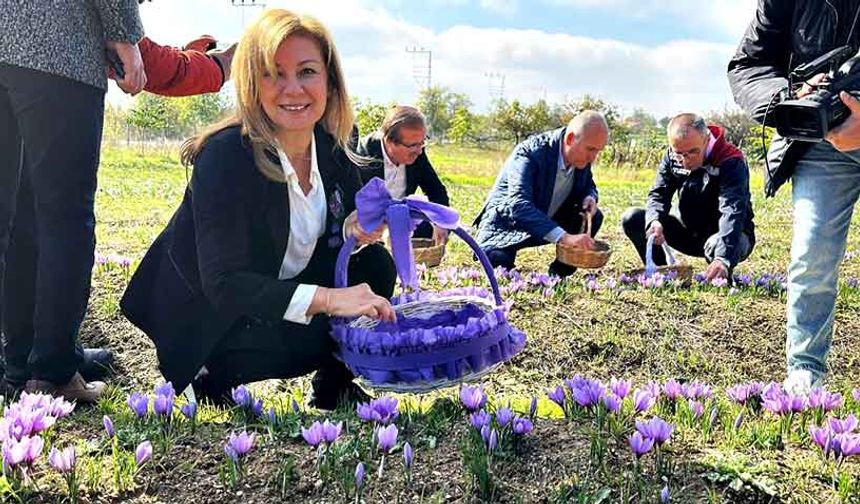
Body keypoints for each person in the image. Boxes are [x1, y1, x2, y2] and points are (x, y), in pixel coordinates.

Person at [120, 9, 397, 409]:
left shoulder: (334, 143)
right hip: (213, 320)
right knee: (321, 318)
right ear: (251, 83)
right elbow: (225, 285)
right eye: (272, 73)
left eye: (306, 72)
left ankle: (334, 384)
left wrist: (356, 229)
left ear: (330, 81)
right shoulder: (225, 155)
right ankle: (211, 376)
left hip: (276, 287)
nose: (292, 89)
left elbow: (341, 226)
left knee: (375, 266)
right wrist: (331, 300)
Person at [0, 1, 145, 402]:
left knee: (18, 214)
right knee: (64, 215)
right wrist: (124, 32)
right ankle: (54, 370)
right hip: (54, 43)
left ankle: (20, 363)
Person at [728, 0, 860, 393]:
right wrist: (791, 98)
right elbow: (748, 65)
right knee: (812, 255)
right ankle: (805, 370)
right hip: (820, 143)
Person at [473, 111, 609, 277]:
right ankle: (500, 256)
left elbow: (589, 184)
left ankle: (559, 273)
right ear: (570, 139)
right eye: (591, 149)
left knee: (594, 216)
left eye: (598, 151)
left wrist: (590, 197)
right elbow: (518, 205)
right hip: (507, 225)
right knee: (498, 264)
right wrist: (564, 237)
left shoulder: (580, 155)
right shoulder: (530, 153)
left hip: (546, 220)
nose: (593, 157)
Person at [621, 113, 755, 280]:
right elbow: (659, 193)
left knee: (717, 245)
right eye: (680, 154)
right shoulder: (673, 156)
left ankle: (720, 271)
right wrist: (655, 220)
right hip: (688, 231)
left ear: (706, 139)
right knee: (633, 218)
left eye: (693, 152)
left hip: (729, 235)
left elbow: (732, 210)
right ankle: (664, 274)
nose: (686, 160)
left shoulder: (730, 160)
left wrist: (723, 256)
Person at [356, 106, 451, 244]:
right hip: (369, 226)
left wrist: (441, 222)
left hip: (400, 219)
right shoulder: (364, 156)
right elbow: (356, 205)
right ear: (389, 141)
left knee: (426, 227)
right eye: (413, 146)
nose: (419, 151)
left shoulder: (418, 153)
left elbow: (436, 190)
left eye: (422, 143)